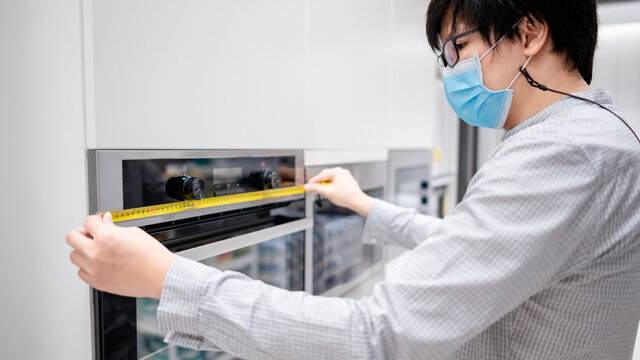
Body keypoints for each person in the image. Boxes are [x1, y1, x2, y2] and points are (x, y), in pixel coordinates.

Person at [67, 0, 640, 358]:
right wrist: (366, 206)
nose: (450, 73)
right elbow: (484, 250)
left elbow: (378, 336)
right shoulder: (595, 136)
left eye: (458, 46)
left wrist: (169, 278)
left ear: (531, 31)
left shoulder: (563, 154)